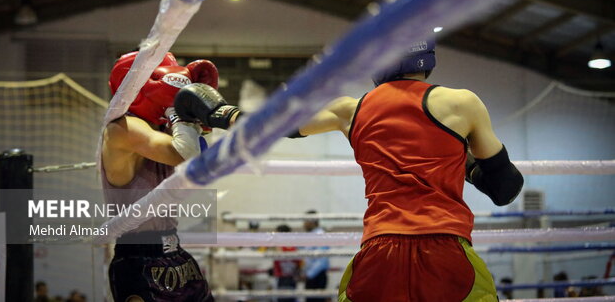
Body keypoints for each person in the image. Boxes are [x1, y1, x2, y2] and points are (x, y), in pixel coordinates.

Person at [172, 38, 524, 301]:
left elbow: (270, 128)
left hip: (380, 252)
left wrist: (218, 113)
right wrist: (465, 165)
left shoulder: (350, 109)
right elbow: (506, 189)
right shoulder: (463, 103)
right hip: (448, 252)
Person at [102, 51, 217, 302]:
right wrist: (179, 113)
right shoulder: (122, 128)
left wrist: (197, 118)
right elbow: (184, 154)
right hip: (139, 258)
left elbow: (204, 161)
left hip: (176, 253)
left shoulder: (164, 127)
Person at [302, 211, 330, 302]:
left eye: (305, 221)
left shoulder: (320, 235)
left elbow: (322, 260)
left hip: (317, 276)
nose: (304, 224)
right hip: (312, 275)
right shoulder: (311, 235)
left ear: (312, 221)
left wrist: (309, 275)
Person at [272, 224, 301, 302]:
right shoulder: (294, 248)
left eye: (276, 234)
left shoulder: (281, 247)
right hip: (290, 279)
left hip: (284, 279)